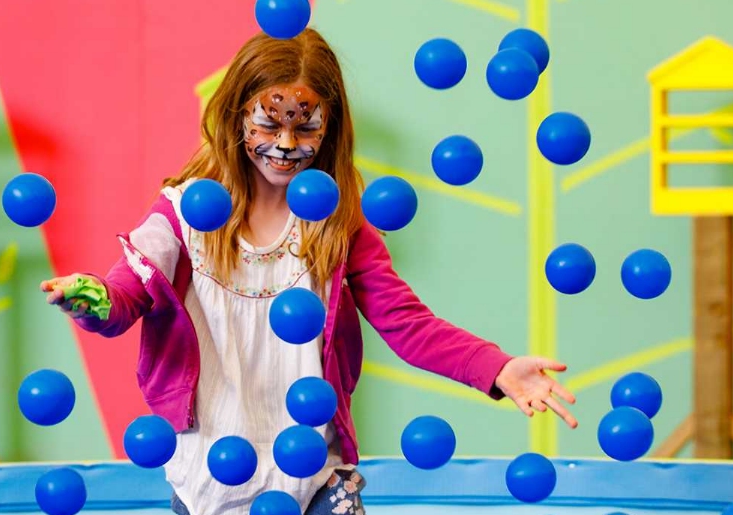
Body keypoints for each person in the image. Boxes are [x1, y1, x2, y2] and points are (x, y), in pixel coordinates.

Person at [41, 28, 578, 515]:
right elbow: (126, 295)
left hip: (316, 471)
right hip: (207, 466)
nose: (286, 145)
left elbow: (406, 323)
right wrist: (92, 298)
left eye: (307, 128)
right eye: (269, 123)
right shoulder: (183, 214)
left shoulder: (339, 224)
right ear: (236, 117)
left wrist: (496, 367)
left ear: (330, 128)